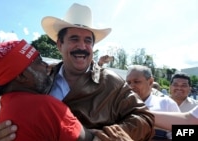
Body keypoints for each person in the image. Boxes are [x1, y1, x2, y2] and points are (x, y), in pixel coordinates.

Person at [41, 3, 154, 141]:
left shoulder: (111, 81)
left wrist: (106, 136)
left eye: (87, 41)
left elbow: (145, 118)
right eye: (74, 39)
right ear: (60, 44)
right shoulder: (42, 77)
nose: (82, 46)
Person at [0, 39, 95, 141]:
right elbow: (89, 139)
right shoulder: (44, 106)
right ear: (21, 76)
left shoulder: (6, 105)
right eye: (39, 62)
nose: (46, 66)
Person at [126, 65, 180, 140]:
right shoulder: (121, 106)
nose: (131, 86)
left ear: (150, 82)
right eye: (128, 83)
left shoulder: (166, 104)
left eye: (136, 82)